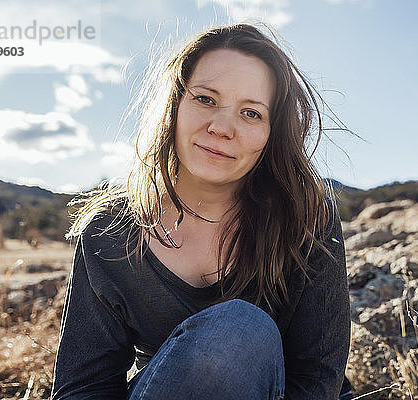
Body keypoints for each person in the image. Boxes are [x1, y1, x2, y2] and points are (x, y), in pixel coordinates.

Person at [51, 23, 351, 400]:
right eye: (206, 99)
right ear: (175, 104)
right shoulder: (110, 230)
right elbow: (82, 387)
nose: (221, 128)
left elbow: (318, 375)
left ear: (272, 134)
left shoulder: (307, 216)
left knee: (238, 332)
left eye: (252, 114)